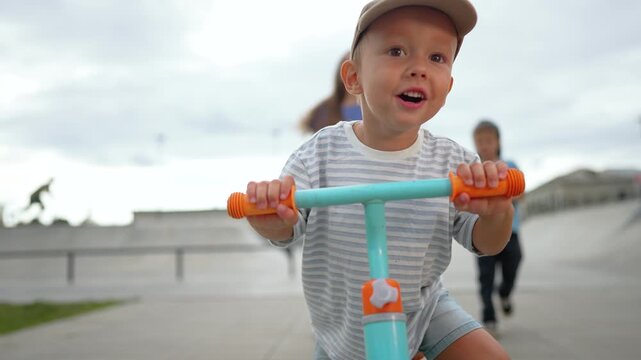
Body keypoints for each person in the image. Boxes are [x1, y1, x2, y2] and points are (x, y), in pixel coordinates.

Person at [244, 1, 513, 359]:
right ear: (354, 77)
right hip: (341, 327)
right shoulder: (318, 155)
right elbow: (286, 228)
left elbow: (487, 243)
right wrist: (271, 219)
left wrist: (496, 211)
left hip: (425, 311)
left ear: (447, 86)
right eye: (397, 50)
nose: (418, 68)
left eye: (436, 57)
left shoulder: (454, 163)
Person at [473, 120, 523, 336]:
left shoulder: (509, 164)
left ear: (498, 142)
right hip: (482, 231)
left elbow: (521, 193)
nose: (484, 145)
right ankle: (489, 318)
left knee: (515, 262)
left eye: (488, 140)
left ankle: (504, 293)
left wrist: (501, 195)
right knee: (486, 276)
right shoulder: (474, 168)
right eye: (480, 141)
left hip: (510, 230)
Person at [299, 52, 362, 133]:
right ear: (342, 72)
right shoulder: (324, 109)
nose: (352, 73)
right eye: (348, 68)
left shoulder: (374, 105)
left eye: (357, 67)